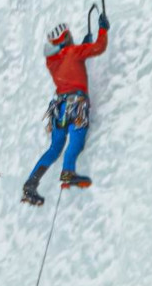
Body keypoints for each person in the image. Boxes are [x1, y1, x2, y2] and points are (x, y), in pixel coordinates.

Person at [21, 11, 109, 206]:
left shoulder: (51, 61)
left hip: (59, 107)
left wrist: (82, 46)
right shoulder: (73, 51)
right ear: (65, 39)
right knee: (76, 140)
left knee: (54, 148)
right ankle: (68, 171)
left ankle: (31, 183)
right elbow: (99, 47)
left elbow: (72, 61)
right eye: (69, 36)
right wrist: (103, 29)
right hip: (76, 104)